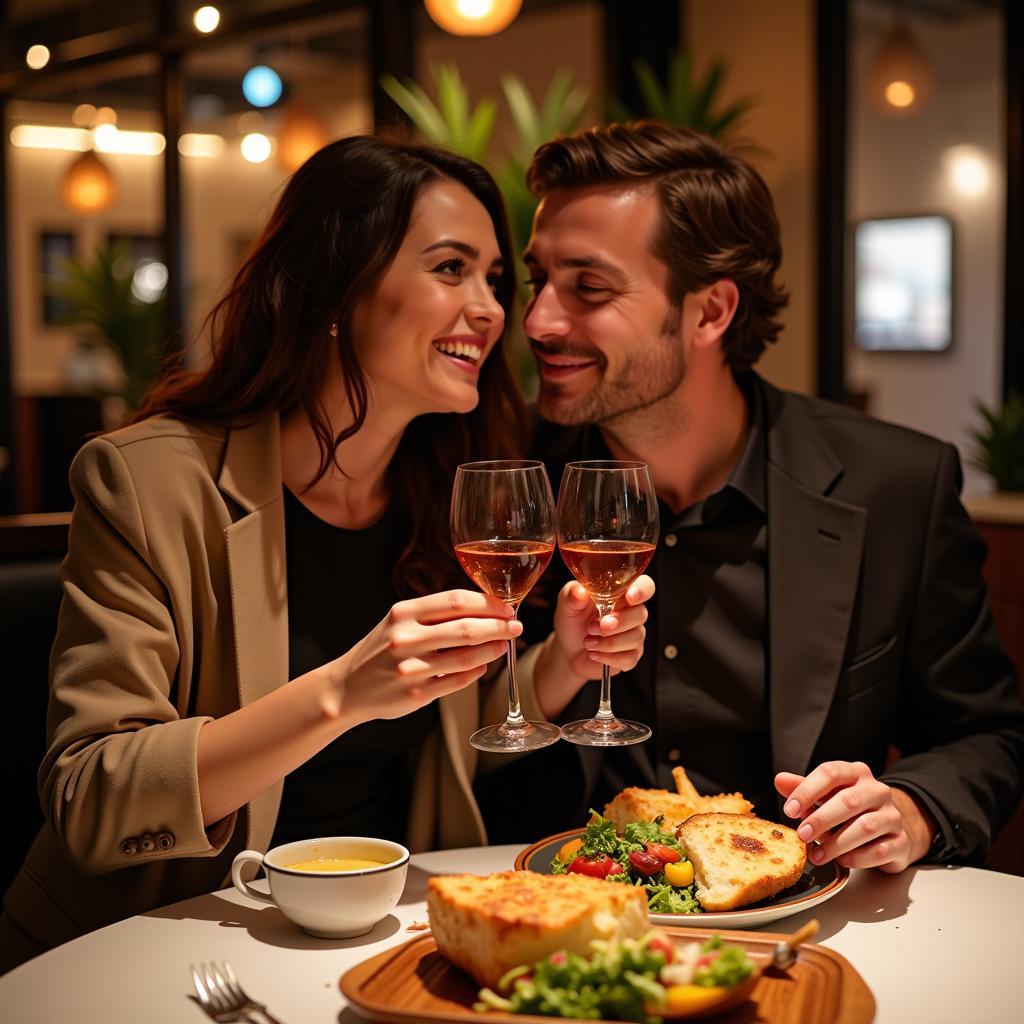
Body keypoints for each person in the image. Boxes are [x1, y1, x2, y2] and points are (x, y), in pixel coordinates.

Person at [0, 135, 653, 969]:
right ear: (338, 285)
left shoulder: (445, 487)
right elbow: (90, 795)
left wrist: (560, 664)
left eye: (493, 279)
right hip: (143, 953)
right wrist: (340, 692)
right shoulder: (150, 481)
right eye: (451, 269)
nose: (492, 309)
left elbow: (458, 740)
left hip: (366, 938)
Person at [499, 120, 1024, 873]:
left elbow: (988, 734)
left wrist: (913, 808)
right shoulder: (504, 490)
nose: (539, 321)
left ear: (711, 311)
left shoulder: (895, 487)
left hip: (806, 927)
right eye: (538, 281)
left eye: (588, 287)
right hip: (553, 924)